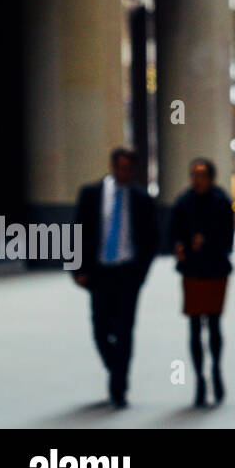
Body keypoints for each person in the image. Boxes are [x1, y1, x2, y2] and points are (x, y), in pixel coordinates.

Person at [72, 148, 158, 408]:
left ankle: (119, 384)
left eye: (128, 168)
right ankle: (116, 366)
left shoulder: (142, 199)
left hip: (127, 273)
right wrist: (77, 269)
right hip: (99, 272)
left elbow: (152, 239)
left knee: (124, 330)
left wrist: (141, 273)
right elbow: (76, 231)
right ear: (111, 166)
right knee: (100, 329)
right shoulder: (91, 194)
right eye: (120, 167)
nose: (124, 173)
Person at [170, 158, 235, 408]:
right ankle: (199, 378)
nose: (197, 179)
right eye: (193, 174)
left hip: (215, 269)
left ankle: (216, 370)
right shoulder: (183, 201)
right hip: (192, 271)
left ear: (211, 177)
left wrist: (206, 242)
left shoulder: (221, 201)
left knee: (215, 323)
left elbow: (228, 239)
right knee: (195, 326)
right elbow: (173, 231)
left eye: (201, 174)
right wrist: (180, 245)